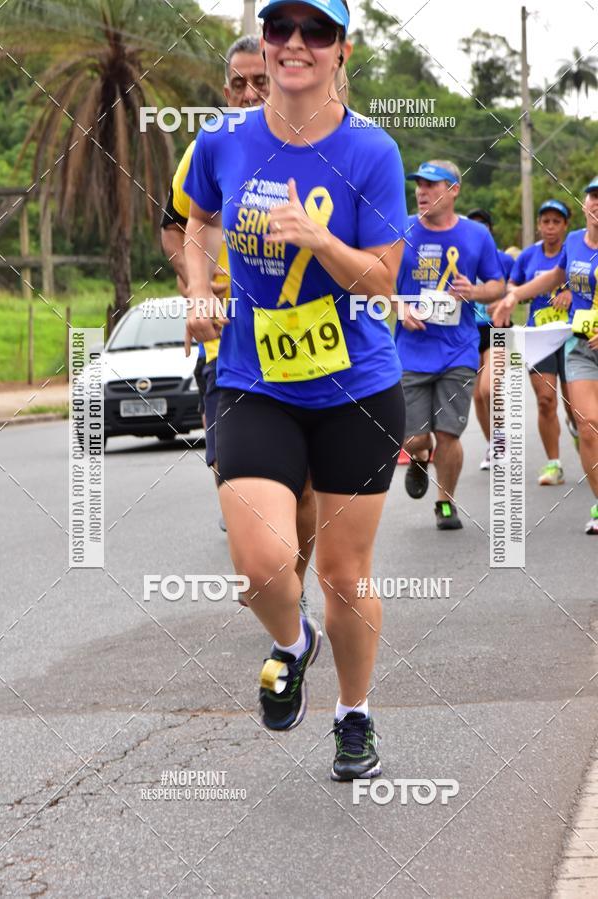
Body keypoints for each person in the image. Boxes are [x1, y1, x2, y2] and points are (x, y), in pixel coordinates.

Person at [183, 0, 408, 780]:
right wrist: (199, 291)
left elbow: (383, 278)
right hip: (254, 379)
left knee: (344, 577)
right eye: (282, 29)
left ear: (342, 49)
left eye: (317, 32)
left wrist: (320, 239)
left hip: (356, 388)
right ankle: (292, 642)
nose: (295, 45)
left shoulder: (372, 150)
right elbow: (197, 224)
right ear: (267, 44)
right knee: (263, 564)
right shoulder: (221, 141)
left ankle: (354, 714)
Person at [160, 36, 316, 610]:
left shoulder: (317, 142)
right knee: (234, 472)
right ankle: (266, 562)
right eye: (237, 83)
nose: (249, 92)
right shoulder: (211, 146)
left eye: (260, 80)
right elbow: (176, 228)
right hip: (228, 350)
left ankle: (291, 591)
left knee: (303, 489)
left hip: (304, 344)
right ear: (224, 90)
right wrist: (196, 287)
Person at [396, 161, 505, 529]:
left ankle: (446, 502)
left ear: (454, 189)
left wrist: (475, 291)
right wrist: (399, 307)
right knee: (414, 438)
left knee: (448, 433)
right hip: (411, 349)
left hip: (459, 348)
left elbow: (497, 286)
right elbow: (374, 280)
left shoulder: (476, 235)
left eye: (431, 185)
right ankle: (418, 457)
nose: (421, 192)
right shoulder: (403, 229)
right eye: (418, 185)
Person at [494, 178, 598, 534]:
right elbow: (554, 275)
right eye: (594, 197)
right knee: (586, 425)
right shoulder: (573, 243)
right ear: (585, 205)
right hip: (578, 345)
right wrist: (514, 296)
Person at [509, 200, 577, 485]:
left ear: (565, 225)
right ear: (538, 225)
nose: (550, 227)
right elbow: (512, 285)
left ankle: (579, 432)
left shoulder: (574, 252)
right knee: (546, 400)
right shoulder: (527, 257)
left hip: (573, 334)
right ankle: (553, 464)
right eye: (545, 221)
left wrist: (571, 295)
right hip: (538, 336)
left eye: (556, 222)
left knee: (575, 405)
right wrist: (518, 294)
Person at [466, 208, 515, 471]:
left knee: (489, 388)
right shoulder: (460, 258)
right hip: (468, 331)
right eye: (473, 225)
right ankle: (493, 445)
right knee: (476, 395)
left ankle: (500, 443)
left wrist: (505, 298)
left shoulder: (504, 260)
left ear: (490, 230)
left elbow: (523, 284)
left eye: (483, 225)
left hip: (498, 329)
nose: (478, 230)